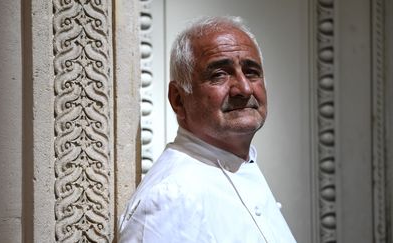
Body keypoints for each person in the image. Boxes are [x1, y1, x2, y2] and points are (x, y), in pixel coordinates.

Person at [118, 16, 296, 243]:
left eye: (251, 72)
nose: (243, 88)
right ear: (178, 100)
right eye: (219, 74)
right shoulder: (171, 196)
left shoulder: (241, 164)